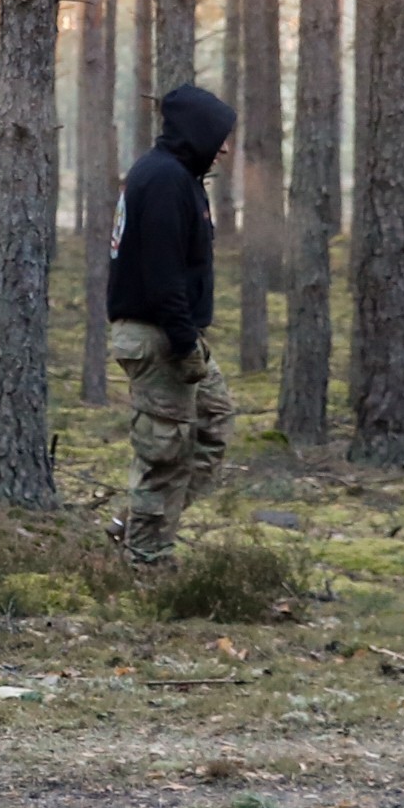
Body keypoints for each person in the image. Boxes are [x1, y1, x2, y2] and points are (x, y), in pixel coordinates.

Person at [106, 84, 239, 566]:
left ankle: (136, 525)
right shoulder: (162, 180)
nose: (225, 148)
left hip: (174, 333)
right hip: (159, 335)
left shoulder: (177, 177)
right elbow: (162, 274)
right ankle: (146, 560)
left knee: (214, 421)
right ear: (197, 132)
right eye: (220, 136)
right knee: (165, 452)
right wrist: (184, 343)